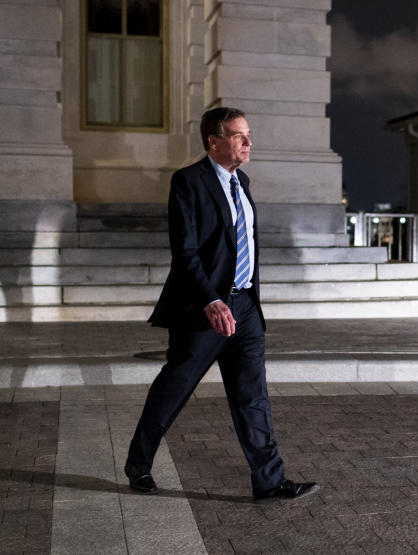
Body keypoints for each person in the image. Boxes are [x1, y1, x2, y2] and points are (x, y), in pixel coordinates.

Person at [123, 107, 319, 504]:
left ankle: (269, 481)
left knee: (253, 397)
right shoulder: (189, 182)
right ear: (213, 141)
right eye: (238, 135)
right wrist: (210, 299)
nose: (248, 142)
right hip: (204, 312)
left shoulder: (241, 182)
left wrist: (240, 299)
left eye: (248, 134)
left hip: (245, 307)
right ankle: (138, 464)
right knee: (174, 389)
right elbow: (186, 251)